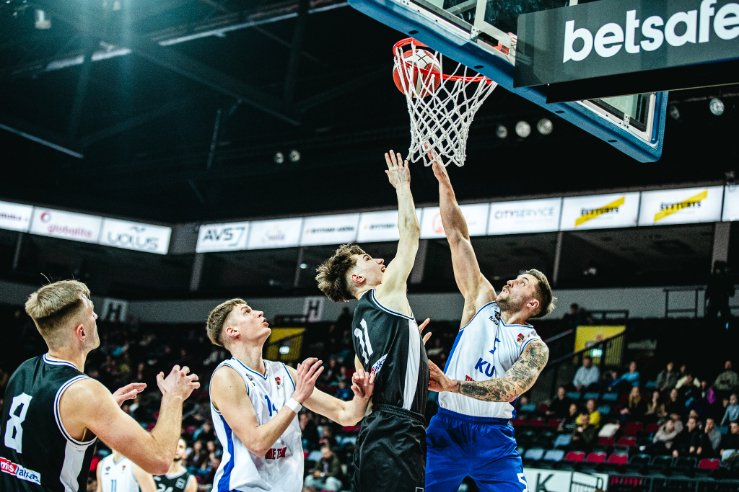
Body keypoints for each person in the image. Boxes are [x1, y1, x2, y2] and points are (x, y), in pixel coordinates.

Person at [424, 153, 553, 492]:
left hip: (494, 441)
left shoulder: (535, 347)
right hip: (447, 429)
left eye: (522, 282)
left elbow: (510, 389)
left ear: (533, 303)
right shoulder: (481, 299)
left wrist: (453, 385)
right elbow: (458, 237)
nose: (511, 281)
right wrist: (444, 183)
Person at [0, 280, 199, 492]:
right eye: (91, 313)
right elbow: (159, 461)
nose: (95, 317)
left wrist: (99, 411)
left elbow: (42, 438)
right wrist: (174, 397)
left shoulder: (23, 370)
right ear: (81, 332)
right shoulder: (84, 393)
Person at [315, 151, 430, 492]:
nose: (380, 260)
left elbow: (370, 382)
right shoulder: (385, 294)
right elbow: (410, 235)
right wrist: (402, 186)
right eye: (367, 258)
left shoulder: (358, 326)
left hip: (376, 432)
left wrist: (410, 347)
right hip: (397, 431)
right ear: (357, 278)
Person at [205, 298, 374, 492]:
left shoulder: (285, 373)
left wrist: (361, 397)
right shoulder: (227, 376)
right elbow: (257, 444)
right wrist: (297, 399)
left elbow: (346, 415)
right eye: (247, 312)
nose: (259, 312)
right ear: (232, 331)